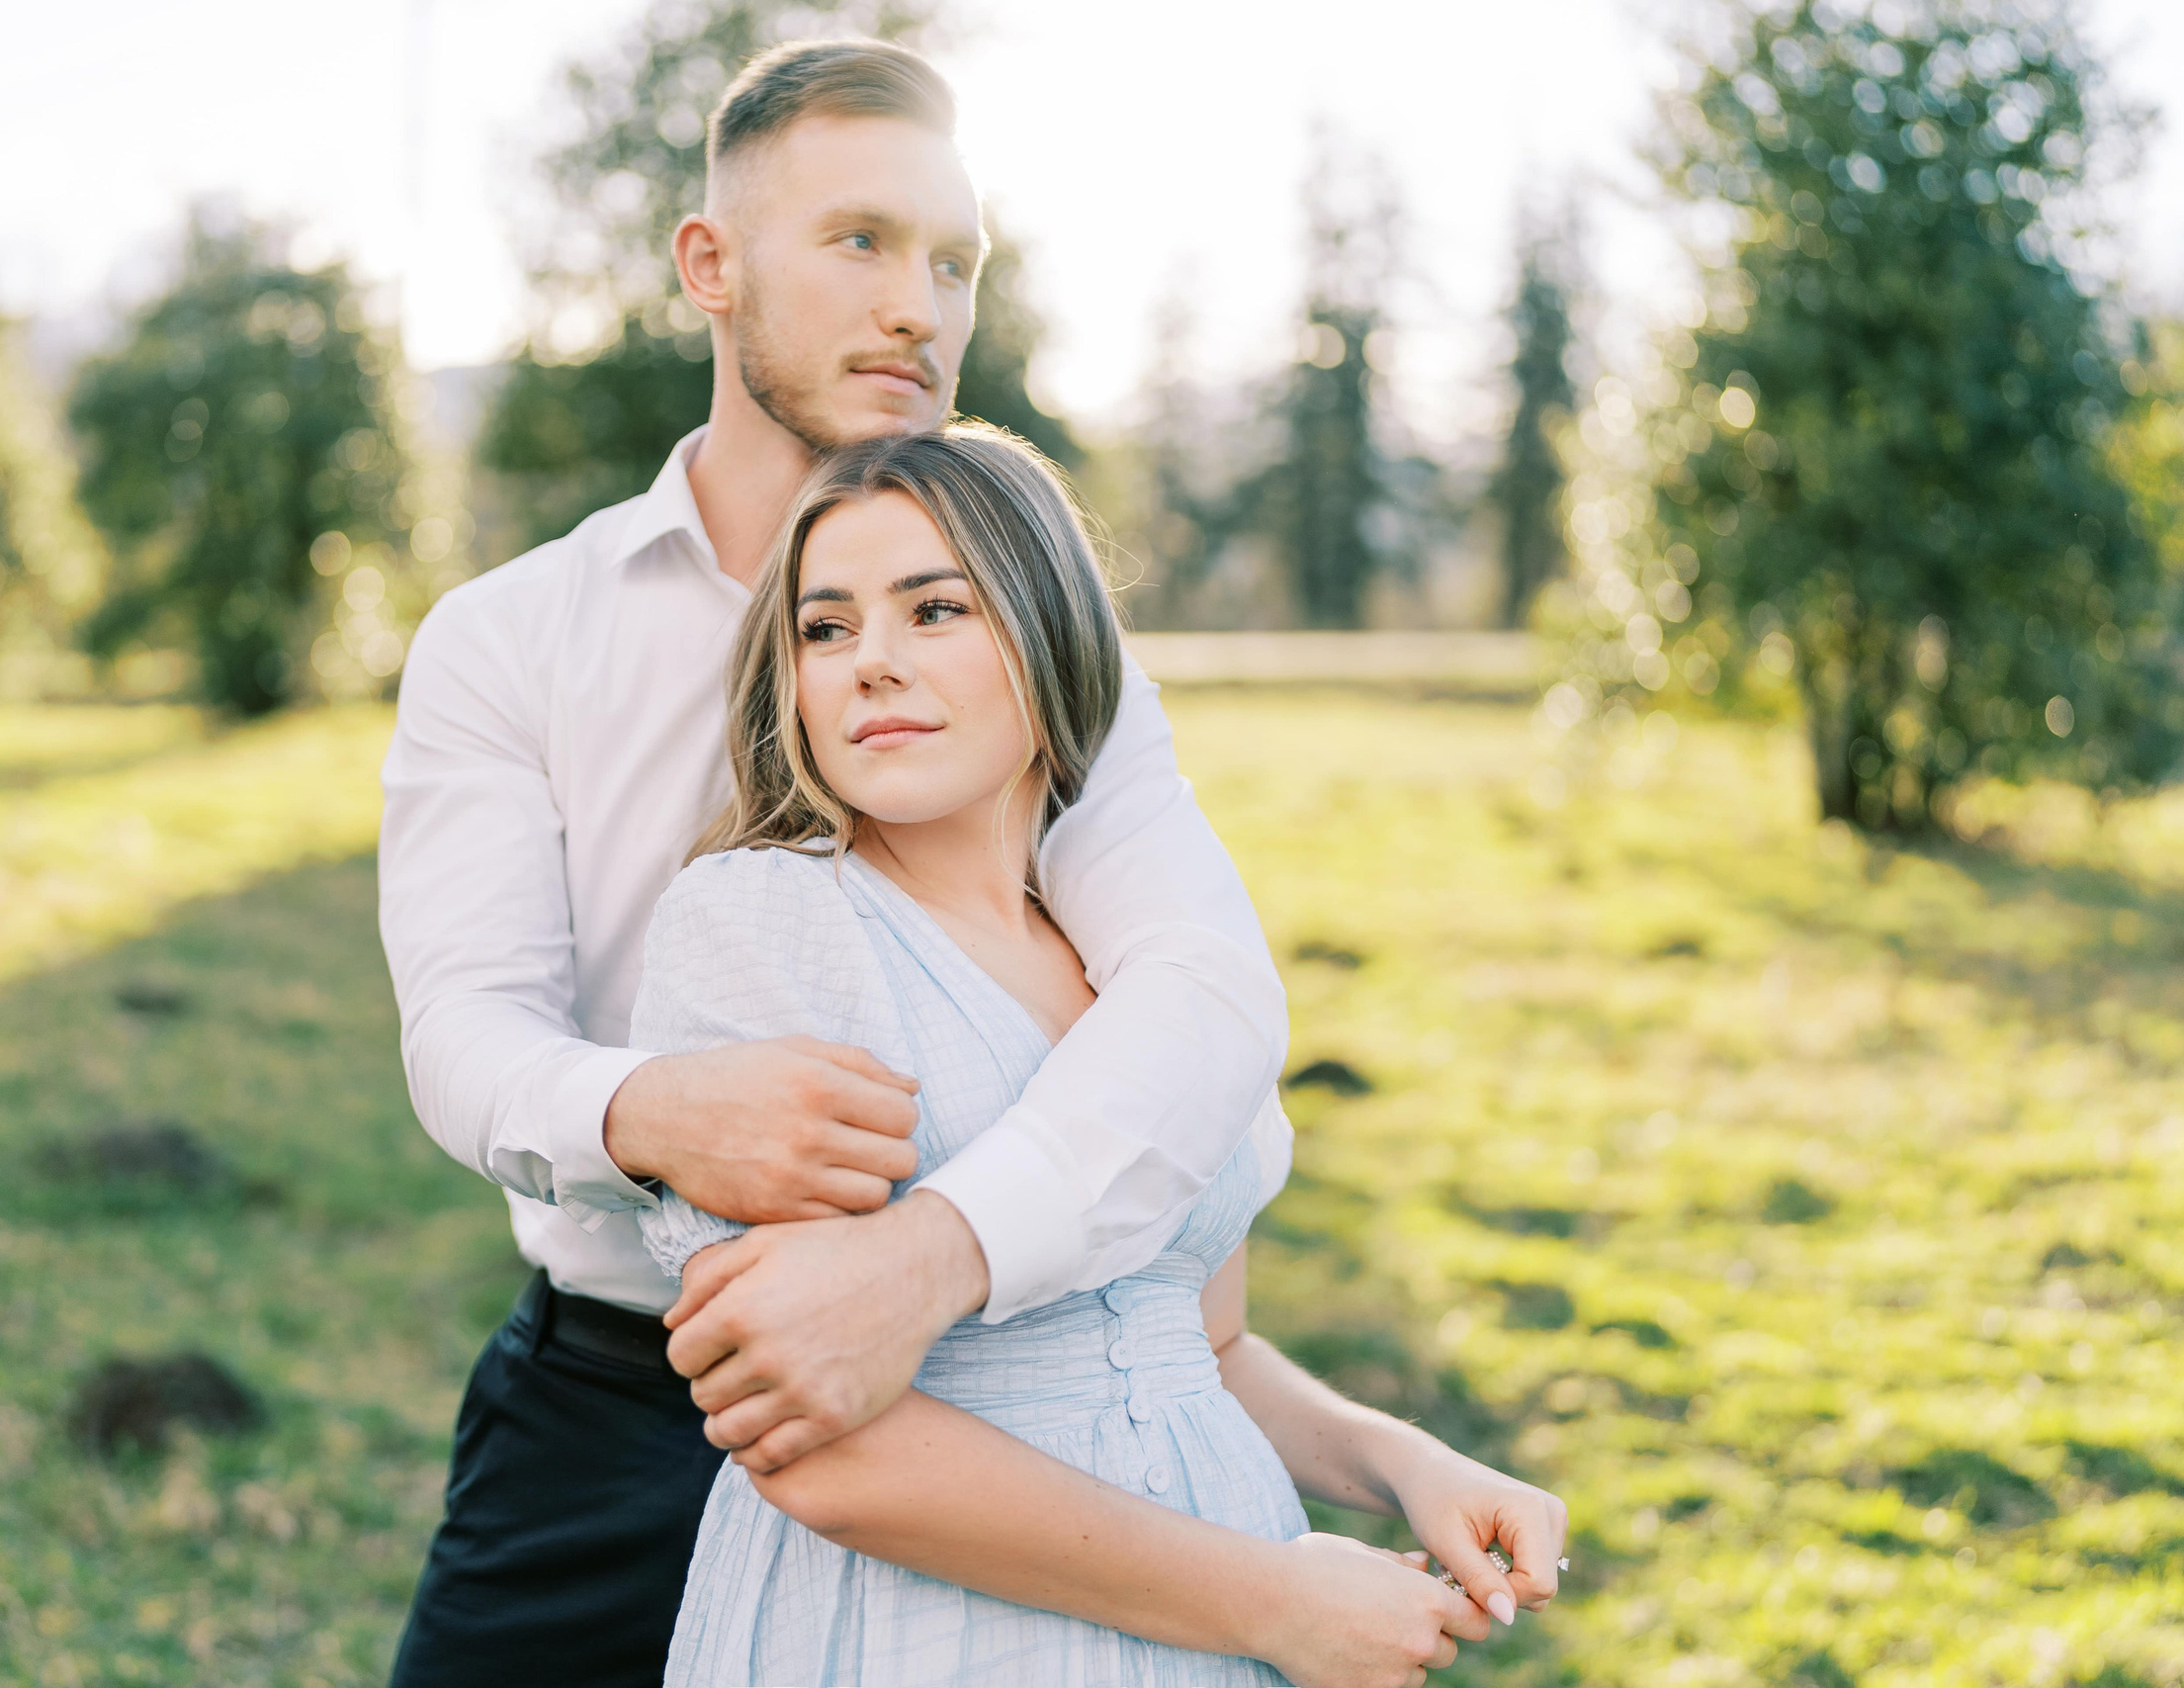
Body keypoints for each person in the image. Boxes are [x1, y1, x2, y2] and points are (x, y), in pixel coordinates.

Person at [376, 38, 1550, 1686]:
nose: (919, 305)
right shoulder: (513, 640)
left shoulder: (1053, 662)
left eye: (956, 261)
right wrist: (648, 1109)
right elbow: (463, 1032)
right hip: (622, 1397)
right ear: (709, 266)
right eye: (859, 241)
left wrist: (923, 1268)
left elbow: (1200, 994)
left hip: (1023, 1383)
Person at [632, 423, 1563, 1687]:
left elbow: (1199, 1346)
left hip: (1218, 1611)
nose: (873, 665)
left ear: (1052, 630)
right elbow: (817, 1449)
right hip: (931, 1633)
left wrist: (1403, 1463)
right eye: (825, 628)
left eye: (935, 609)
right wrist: (1265, 1602)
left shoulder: (1141, 961)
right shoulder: (772, 922)